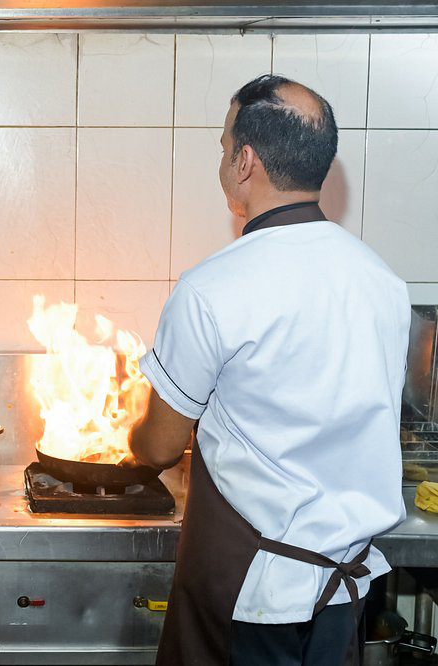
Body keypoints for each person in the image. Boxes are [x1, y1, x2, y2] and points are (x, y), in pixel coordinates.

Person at [128, 74, 410, 665]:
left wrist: (136, 425)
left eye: (223, 144)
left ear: (245, 160)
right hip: (343, 588)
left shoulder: (214, 288)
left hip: (248, 589)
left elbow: (158, 447)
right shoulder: (382, 282)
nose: (224, 158)